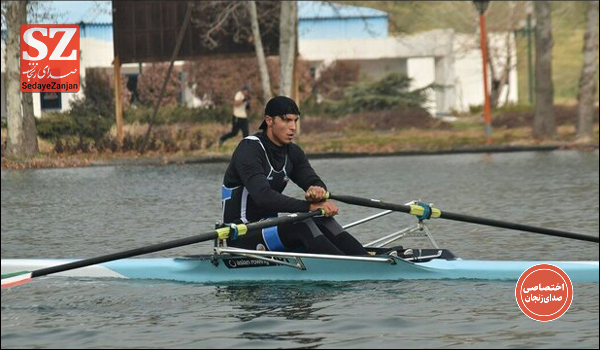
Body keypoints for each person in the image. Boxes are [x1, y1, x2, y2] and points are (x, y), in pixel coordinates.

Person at [220, 95, 367, 256]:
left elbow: (312, 179)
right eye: (286, 120)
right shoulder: (249, 149)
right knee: (303, 223)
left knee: (323, 220)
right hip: (243, 234)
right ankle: (347, 268)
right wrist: (308, 206)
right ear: (269, 121)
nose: (293, 127)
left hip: (270, 228)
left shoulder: (293, 152)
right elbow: (263, 196)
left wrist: (316, 191)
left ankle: (364, 260)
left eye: (295, 121)